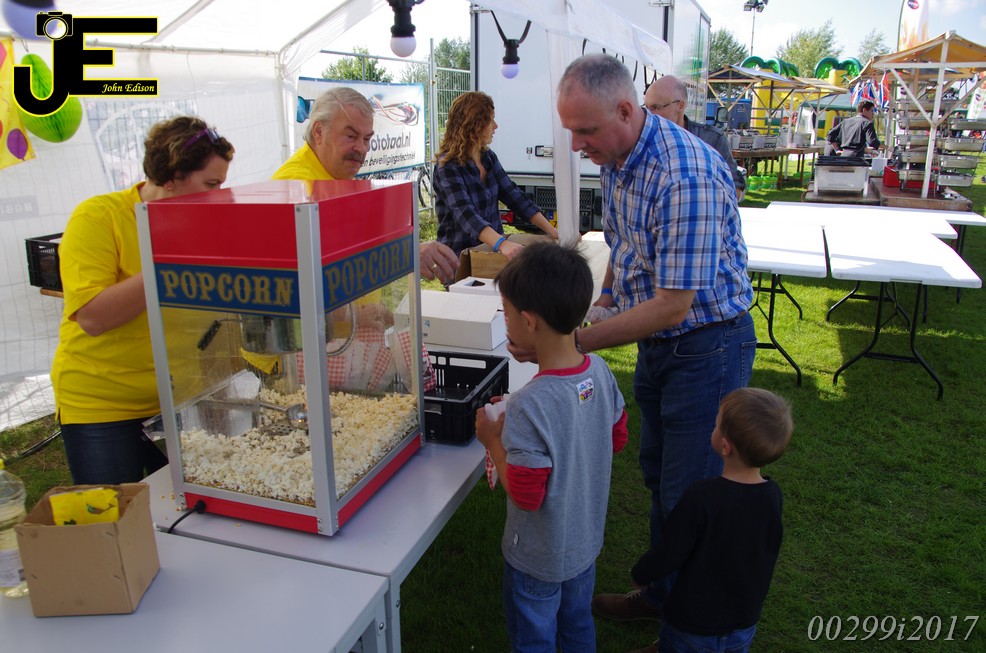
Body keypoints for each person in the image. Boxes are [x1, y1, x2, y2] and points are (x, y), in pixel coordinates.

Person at [552, 54, 756, 620]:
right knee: (661, 474)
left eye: (584, 131)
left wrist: (574, 344)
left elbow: (673, 306)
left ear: (625, 110)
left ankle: (687, 628)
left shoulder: (683, 174)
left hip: (707, 345)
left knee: (691, 493)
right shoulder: (617, 154)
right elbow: (621, 244)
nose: (576, 146)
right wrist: (606, 300)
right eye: (570, 130)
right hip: (665, 343)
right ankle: (663, 596)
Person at [52, 116, 235, 484]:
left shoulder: (207, 222)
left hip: (184, 397)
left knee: (202, 501)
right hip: (103, 406)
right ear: (172, 176)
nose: (217, 195)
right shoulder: (98, 217)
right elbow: (92, 317)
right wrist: (170, 260)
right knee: (115, 509)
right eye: (211, 184)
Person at [475, 242, 628, 653]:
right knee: (577, 625)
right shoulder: (601, 370)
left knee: (535, 637)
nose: (505, 320)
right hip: (584, 546)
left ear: (528, 322)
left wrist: (494, 441)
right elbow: (616, 438)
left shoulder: (528, 405)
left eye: (505, 312)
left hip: (536, 559)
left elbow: (526, 495)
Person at [626, 388, 793, 653]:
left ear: (725, 446)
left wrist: (642, 574)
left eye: (716, 424)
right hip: (742, 622)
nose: (713, 428)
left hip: (691, 623)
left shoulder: (702, 496)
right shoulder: (772, 495)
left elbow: (671, 549)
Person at [274, 86, 459, 283]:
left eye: (367, 139)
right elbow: (323, 270)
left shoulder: (334, 173)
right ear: (319, 131)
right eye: (351, 136)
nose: (361, 148)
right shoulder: (296, 185)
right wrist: (407, 254)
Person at [433, 91, 558, 260]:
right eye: (491, 120)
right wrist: (502, 243)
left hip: (489, 252)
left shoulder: (487, 157)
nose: (496, 126)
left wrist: (552, 231)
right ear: (475, 125)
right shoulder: (447, 165)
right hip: (459, 258)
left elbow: (514, 196)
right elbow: (466, 214)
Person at [644, 75, 746, 200]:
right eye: (646, 108)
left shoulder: (711, 139)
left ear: (681, 106)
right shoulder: (645, 141)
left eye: (656, 107)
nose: (649, 114)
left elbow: (736, 191)